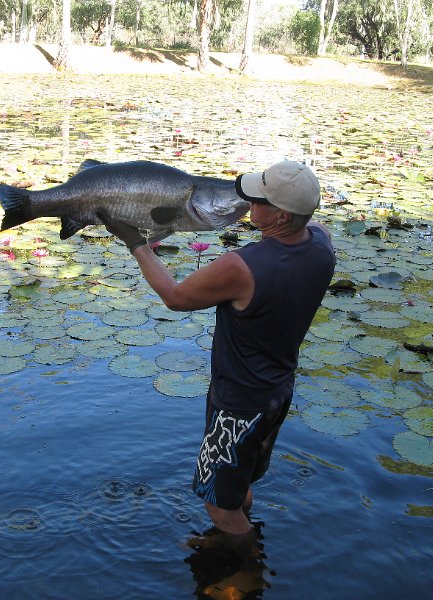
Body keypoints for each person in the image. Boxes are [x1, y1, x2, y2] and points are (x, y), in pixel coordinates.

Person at [99, 159, 336, 551]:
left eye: (255, 198)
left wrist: (136, 243)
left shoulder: (241, 267)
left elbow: (175, 298)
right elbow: (313, 227)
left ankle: (243, 569)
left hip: (238, 403)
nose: (245, 202)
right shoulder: (321, 247)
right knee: (238, 481)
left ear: (278, 214)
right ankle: (241, 529)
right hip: (277, 390)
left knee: (217, 504)